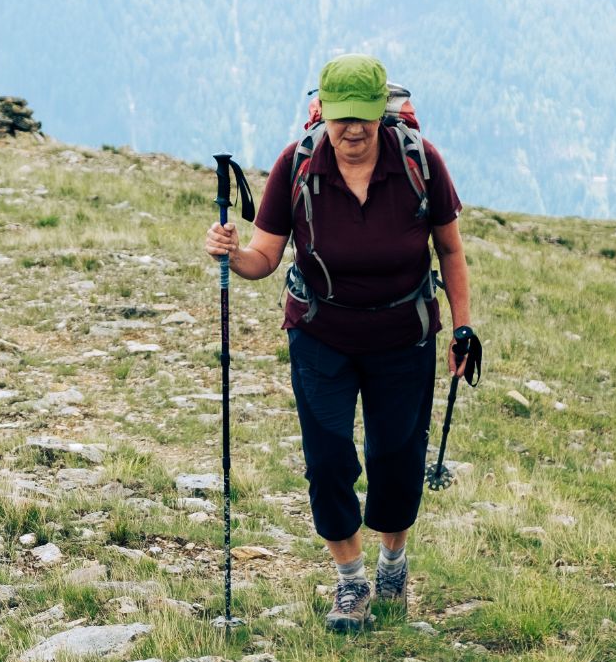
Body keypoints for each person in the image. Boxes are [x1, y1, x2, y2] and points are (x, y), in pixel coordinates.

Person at [202, 54, 475, 632]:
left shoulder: (419, 162)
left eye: (364, 117)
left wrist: (463, 327)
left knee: (396, 458)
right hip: (321, 333)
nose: (353, 129)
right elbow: (264, 257)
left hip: (404, 336)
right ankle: (351, 581)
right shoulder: (297, 165)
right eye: (341, 117)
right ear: (322, 111)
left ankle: (392, 563)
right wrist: (232, 254)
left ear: (382, 112)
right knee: (327, 461)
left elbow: (450, 250)